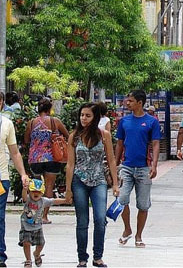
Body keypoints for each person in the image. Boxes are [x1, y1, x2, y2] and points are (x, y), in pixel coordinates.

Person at [65, 103, 119, 268]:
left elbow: (111, 160)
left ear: (95, 117)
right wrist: (68, 189)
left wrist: (115, 184)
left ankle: (98, 256)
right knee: (82, 221)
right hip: (79, 181)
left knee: (100, 218)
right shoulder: (74, 136)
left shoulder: (104, 135)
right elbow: (70, 164)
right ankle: (82, 258)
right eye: (82, 115)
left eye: (88, 115)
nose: (84, 118)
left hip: (99, 181)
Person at [115, 90, 161, 248]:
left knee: (143, 204)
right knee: (122, 199)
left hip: (144, 167)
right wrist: (115, 164)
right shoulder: (124, 121)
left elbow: (155, 143)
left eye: (131, 101)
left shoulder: (151, 121)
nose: (127, 103)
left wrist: (154, 165)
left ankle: (138, 235)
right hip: (126, 166)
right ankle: (127, 229)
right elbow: (119, 143)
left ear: (140, 103)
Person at [24, 98, 69, 224]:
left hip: (35, 158)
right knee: (49, 186)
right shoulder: (55, 121)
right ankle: (44, 216)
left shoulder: (31, 122)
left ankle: (33, 215)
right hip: (52, 158)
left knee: (35, 187)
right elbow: (67, 135)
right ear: (50, 109)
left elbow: (26, 140)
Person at [0, 110, 30, 267]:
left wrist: (23, 174)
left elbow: (15, 152)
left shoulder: (6, 124)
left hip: (1, 178)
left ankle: (0, 254)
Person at [20, 178, 68, 268]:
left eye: (38, 192)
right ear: (30, 191)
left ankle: (36, 254)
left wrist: (65, 200)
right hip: (26, 226)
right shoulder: (28, 200)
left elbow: (53, 201)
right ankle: (28, 260)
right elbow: (24, 197)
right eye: (33, 191)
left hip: (38, 227)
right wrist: (24, 189)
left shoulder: (43, 201)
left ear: (42, 193)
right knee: (26, 243)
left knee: (41, 243)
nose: (36, 193)